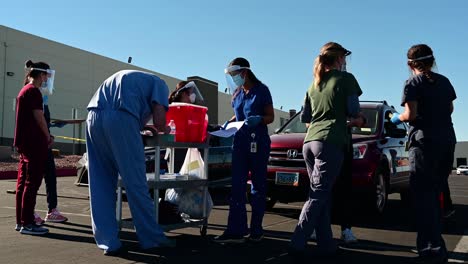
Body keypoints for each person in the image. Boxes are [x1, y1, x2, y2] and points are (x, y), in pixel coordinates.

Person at [86, 70, 175, 255]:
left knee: (100, 182)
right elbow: (160, 121)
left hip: (93, 117)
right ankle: (152, 239)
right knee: (135, 182)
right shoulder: (160, 84)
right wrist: (165, 128)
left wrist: (141, 125)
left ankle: (108, 241)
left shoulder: (134, 78)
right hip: (121, 118)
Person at [289, 42, 362, 257]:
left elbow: (306, 119)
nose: (346, 62)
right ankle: (298, 240)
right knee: (318, 195)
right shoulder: (346, 79)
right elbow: (354, 111)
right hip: (331, 141)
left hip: (309, 143)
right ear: (339, 59)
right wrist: (358, 120)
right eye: (344, 58)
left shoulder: (313, 85)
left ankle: (326, 242)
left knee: (322, 194)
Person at [391, 44, 456, 264]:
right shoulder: (444, 81)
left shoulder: (412, 83)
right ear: (432, 60)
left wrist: (397, 117)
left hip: (424, 143)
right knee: (436, 193)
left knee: (423, 198)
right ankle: (434, 245)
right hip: (447, 140)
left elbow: (411, 114)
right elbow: (449, 110)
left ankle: (431, 249)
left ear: (410, 64)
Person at [213, 57, 274, 243]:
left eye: (234, 74)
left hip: (258, 143)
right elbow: (238, 113)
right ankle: (236, 230)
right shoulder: (237, 93)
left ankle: (257, 230)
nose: (233, 78)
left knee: (257, 187)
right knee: (237, 187)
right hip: (239, 143)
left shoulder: (262, 91)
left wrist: (259, 119)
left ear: (244, 72)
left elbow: (270, 116)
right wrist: (230, 123)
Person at [14, 60, 54, 235]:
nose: (47, 78)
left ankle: (21, 221)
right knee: (32, 183)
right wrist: (48, 136)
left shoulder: (24, 90)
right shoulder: (33, 92)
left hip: (25, 143)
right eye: (46, 74)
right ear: (41, 74)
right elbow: (39, 117)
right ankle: (27, 223)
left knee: (23, 183)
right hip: (34, 143)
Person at [33, 89, 68, 225]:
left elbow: (44, 122)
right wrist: (47, 135)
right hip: (36, 144)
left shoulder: (43, 103)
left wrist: (50, 132)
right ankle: (29, 211)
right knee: (33, 179)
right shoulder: (31, 95)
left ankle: (52, 210)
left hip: (45, 144)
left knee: (51, 177)